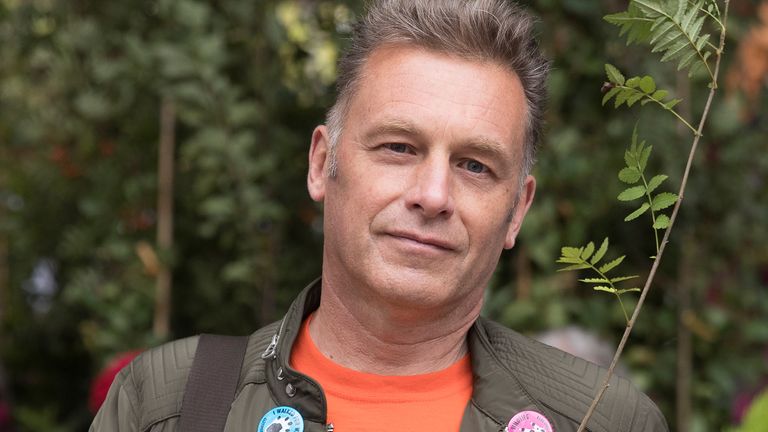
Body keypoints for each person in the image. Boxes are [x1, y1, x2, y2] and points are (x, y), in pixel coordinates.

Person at [92, 1, 669, 431]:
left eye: (474, 165)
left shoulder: (601, 420)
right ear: (323, 163)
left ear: (517, 211)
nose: (433, 194)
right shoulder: (168, 404)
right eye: (399, 148)